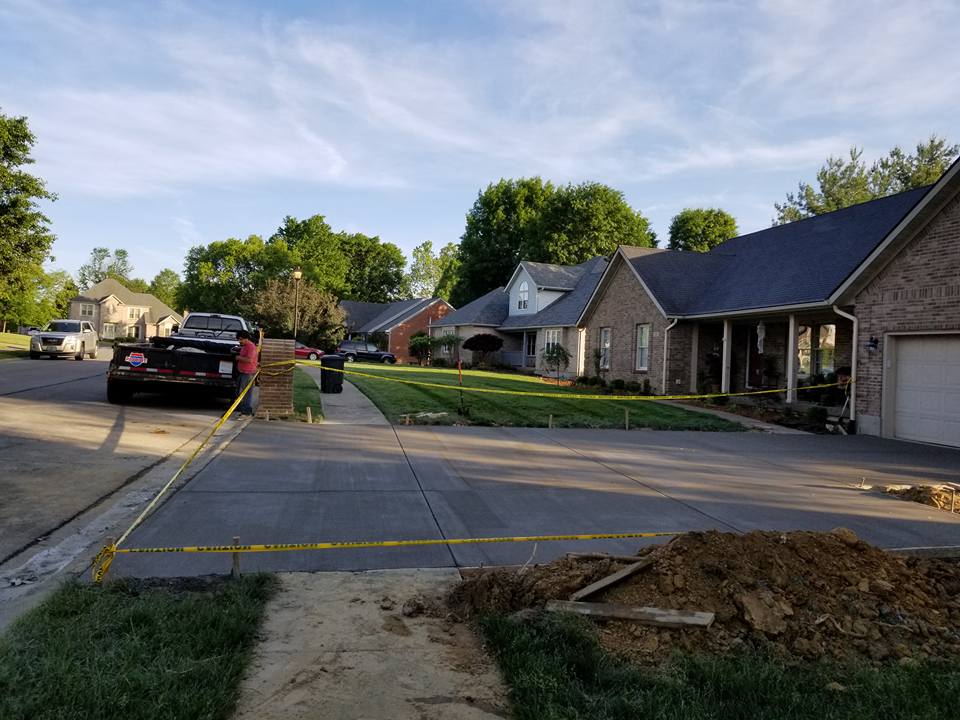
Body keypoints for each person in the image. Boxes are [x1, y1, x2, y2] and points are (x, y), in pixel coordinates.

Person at [235, 330, 259, 417]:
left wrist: (238, 358)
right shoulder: (244, 346)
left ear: (246, 338)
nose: (239, 341)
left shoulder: (251, 347)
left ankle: (246, 411)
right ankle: (243, 410)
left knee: (246, 393)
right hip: (242, 372)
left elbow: (249, 360)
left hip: (248, 373)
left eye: (241, 339)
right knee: (240, 392)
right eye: (239, 339)